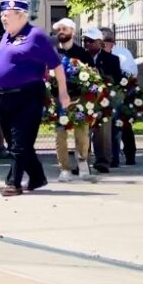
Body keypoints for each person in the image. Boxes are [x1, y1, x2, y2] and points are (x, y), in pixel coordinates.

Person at [0, 0, 70, 197]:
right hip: (3, 97)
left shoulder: (36, 36)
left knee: (19, 142)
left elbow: (56, 65)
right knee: (15, 142)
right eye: (1, 15)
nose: (2, 19)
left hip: (28, 95)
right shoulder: (5, 36)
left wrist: (63, 92)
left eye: (6, 15)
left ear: (20, 15)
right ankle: (37, 176)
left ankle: (13, 183)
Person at [52, 18, 93, 182]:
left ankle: (83, 164)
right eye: (59, 29)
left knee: (82, 133)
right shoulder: (53, 53)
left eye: (64, 29)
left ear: (73, 32)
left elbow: (92, 74)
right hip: (59, 100)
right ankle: (64, 169)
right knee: (60, 134)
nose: (61, 32)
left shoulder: (83, 53)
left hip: (79, 100)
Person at [85, 27, 122, 174]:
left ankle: (103, 162)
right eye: (85, 41)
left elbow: (118, 80)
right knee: (83, 132)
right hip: (85, 100)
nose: (87, 44)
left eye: (90, 41)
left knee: (104, 132)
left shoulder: (112, 59)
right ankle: (83, 162)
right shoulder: (81, 57)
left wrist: (103, 80)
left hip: (104, 101)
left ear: (100, 42)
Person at [101, 28, 137, 167]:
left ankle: (130, 156)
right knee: (108, 127)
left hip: (123, 93)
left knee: (124, 125)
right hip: (105, 94)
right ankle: (111, 157)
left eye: (107, 39)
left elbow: (133, 73)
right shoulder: (99, 54)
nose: (105, 42)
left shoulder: (123, 53)